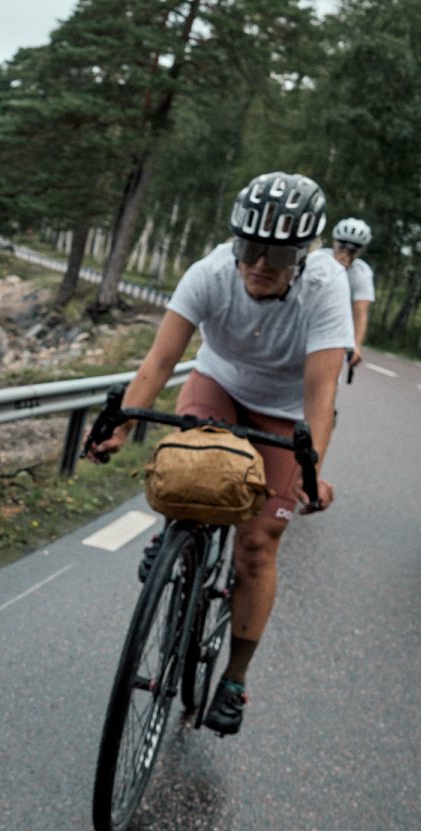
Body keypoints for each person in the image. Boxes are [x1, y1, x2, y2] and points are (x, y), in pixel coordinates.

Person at [89, 171, 352, 735]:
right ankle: (175, 537)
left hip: (283, 409)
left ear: (302, 255)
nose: (259, 262)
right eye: (248, 246)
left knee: (257, 546)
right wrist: (122, 425)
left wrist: (312, 469)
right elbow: (160, 361)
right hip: (220, 384)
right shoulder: (210, 273)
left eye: (277, 252)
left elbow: (321, 392)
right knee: (191, 473)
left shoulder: (327, 289)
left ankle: (234, 678)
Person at [330, 217, 375, 367]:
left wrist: (356, 345)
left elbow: (361, 312)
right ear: (334, 242)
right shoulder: (317, 260)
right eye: (342, 245)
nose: (346, 252)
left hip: (337, 330)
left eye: (353, 249)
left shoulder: (362, 273)